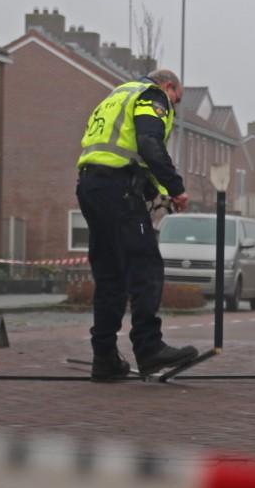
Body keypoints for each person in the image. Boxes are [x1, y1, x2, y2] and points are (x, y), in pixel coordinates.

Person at [75, 68, 198, 381]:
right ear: (168, 86)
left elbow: (120, 154)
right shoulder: (151, 96)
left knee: (110, 275)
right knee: (145, 266)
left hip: (91, 187)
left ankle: (103, 357)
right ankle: (149, 348)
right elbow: (148, 143)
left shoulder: (116, 97)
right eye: (177, 99)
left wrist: (154, 192)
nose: (173, 107)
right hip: (117, 190)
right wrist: (176, 187)